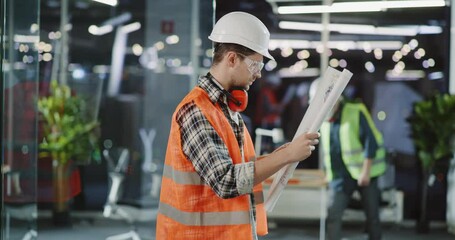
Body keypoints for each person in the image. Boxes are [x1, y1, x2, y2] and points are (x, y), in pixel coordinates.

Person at [156, 11, 320, 240]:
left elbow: (238, 168)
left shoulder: (225, 109)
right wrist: (286, 156)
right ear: (232, 59)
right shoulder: (196, 110)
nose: (259, 74)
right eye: (255, 65)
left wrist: (284, 154)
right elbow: (226, 181)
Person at [310, 80, 386, 240]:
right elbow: (330, 151)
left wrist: (365, 172)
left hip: (365, 174)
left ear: (335, 99)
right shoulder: (323, 121)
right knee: (333, 215)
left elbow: (370, 142)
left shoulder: (355, 111)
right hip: (340, 176)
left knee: (372, 216)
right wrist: (326, 173)